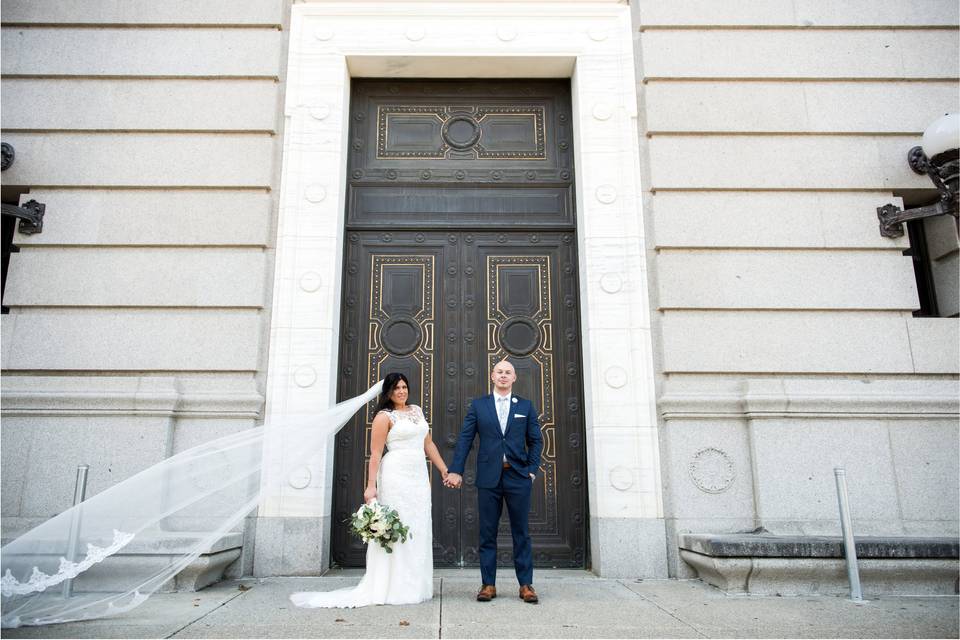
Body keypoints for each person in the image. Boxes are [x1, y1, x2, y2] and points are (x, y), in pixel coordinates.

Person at [290, 373, 448, 608]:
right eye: (396, 389)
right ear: (388, 393)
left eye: (404, 387)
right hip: (396, 475)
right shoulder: (384, 417)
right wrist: (370, 486)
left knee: (418, 526)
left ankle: (415, 585)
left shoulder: (417, 411)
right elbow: (375, 454)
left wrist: (444, 470)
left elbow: (428, 444)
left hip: (418, 476)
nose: (402, 391)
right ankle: (392, 587)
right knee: (397, 528)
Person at [445, 359, 544, 604]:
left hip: (518, 476)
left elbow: (536, 440)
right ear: (492, 376)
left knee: (521, 532)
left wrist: (531, 470)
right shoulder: (479, 406)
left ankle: (526, 585)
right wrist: (456, 470)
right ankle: (488, 584)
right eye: (499, 371)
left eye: (507, 372)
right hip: (489, 478)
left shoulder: (526, 406)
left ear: (514, 378)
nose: (503, 375)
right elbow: (466, 439)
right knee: (487, 532)